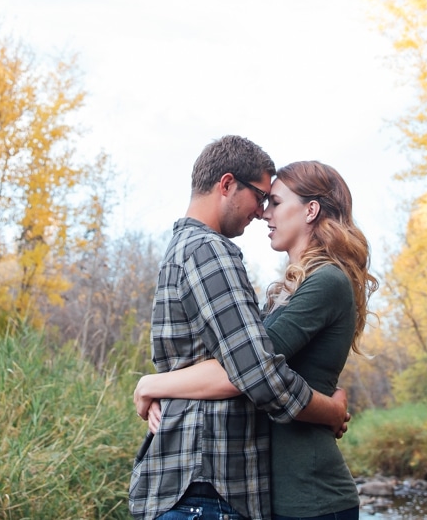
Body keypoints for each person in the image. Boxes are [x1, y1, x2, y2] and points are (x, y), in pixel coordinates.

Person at [134, 161, 375, 520]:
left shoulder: (327, 282)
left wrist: (152, 383)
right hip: (274, 497)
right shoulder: (291, 291)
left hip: (311, 496)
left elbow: (245, 369)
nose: (264, 213)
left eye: (275, 202)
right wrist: (331, 410)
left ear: (310, 210)